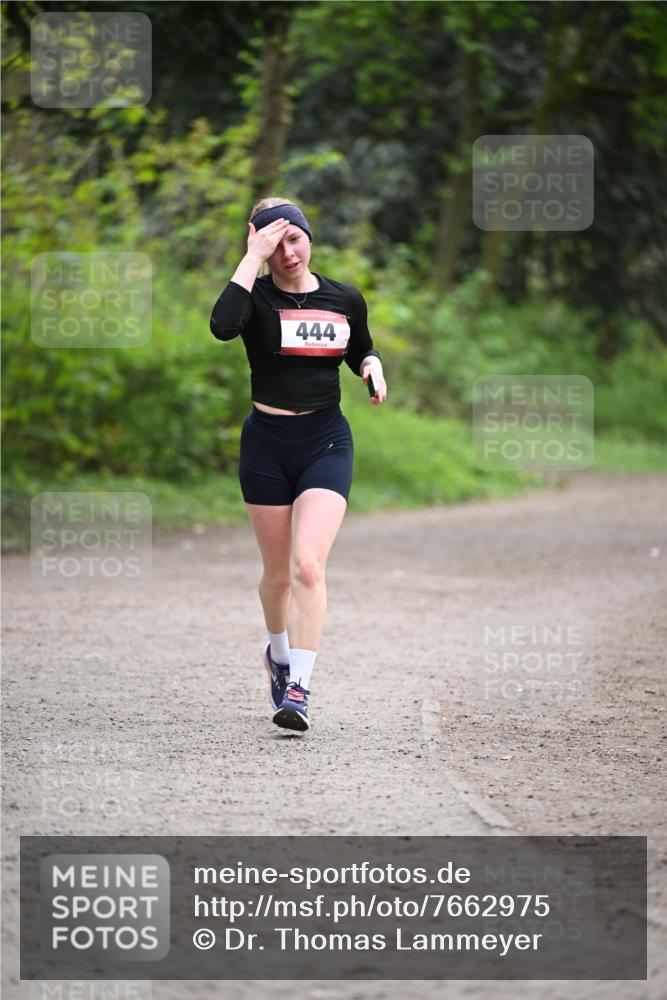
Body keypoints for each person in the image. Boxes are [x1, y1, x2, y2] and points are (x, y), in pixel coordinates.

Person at [210, 197, 387, 733]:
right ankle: (278, 654)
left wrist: (372, 366)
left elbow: (361, 346)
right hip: (266, 444)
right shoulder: (255, 300)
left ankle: (299, 690)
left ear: (310, 237)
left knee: (308, 565)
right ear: (260, 245)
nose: (288, 252)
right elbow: (221, 326)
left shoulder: (344, 297)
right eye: (275, 243)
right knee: (276, 576)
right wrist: (250, 258)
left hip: (325, 441)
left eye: (295, 238)